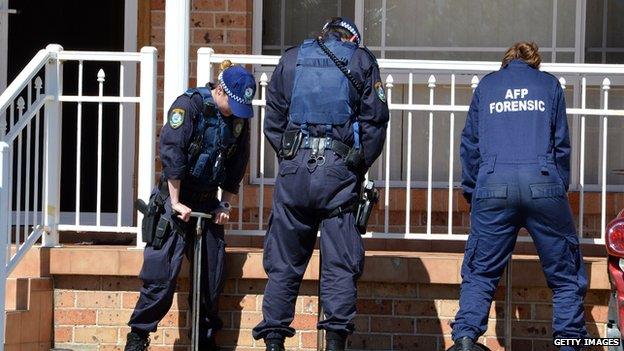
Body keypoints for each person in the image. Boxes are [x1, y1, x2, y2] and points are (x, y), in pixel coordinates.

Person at [251, 17, 389, 351]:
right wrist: (356, 164)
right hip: (339, 173)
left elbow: (273, 121)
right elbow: (375, 122)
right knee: (340, 261)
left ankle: (273, 340)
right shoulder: (361, 60)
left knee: (284, 260)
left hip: (295, 172)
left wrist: (291, 157)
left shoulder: (291, 58)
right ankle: (336, 342)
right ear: (350, 39)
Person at [448, 42, 588, 351]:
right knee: (565, 275)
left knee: (480, 271)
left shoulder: (487, 85)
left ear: (506, 62)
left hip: (494, 185)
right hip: (543, 183)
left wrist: (473, 191)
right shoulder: (549, 85)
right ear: (533, 63)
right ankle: (570, 343)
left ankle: (466, 339)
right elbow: (561, 144)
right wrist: (557, 189)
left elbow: (470, 145)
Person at [124, 61, 256, 351]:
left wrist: (225, 204)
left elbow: (236, 166)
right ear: (220, 91)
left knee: (211, 279)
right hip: (174, 200)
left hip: (207, 203)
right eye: (233, 104)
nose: (236, 113)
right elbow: (173, 153)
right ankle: (137, 338)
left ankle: (204, 341)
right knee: (159, 280)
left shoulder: (237, 120)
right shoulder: (190, 105)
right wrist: (174, 201)